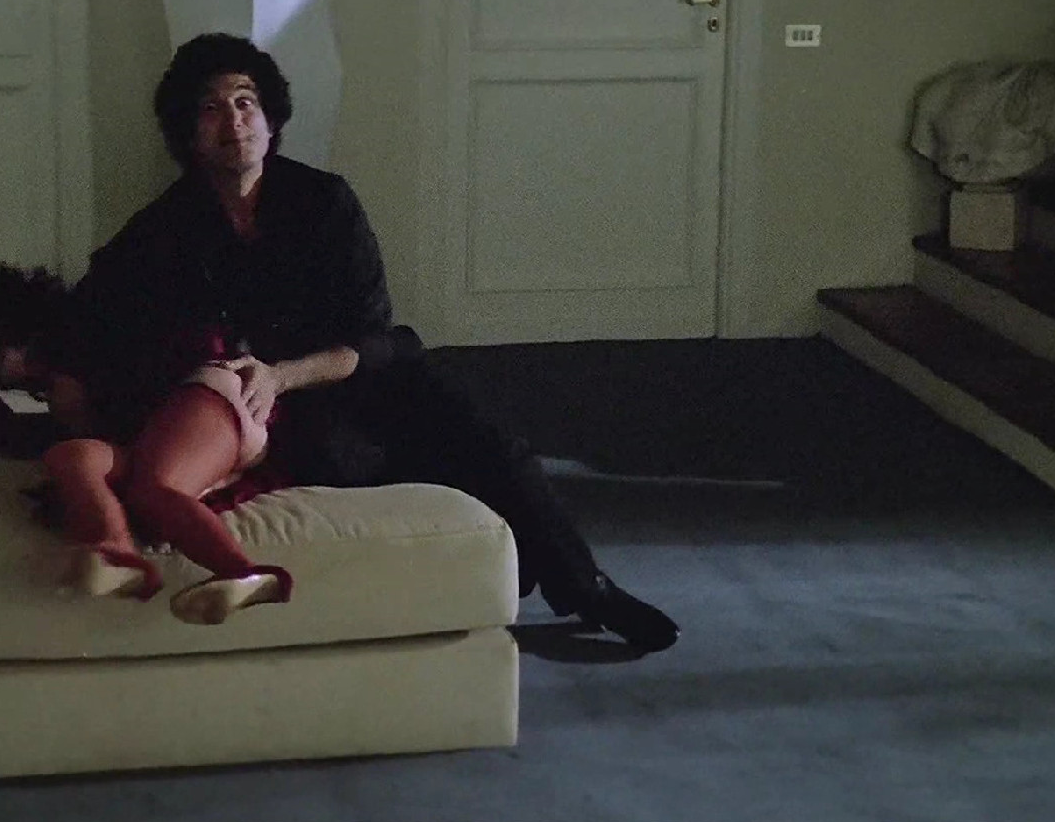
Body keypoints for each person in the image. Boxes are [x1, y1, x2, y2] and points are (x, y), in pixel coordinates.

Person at [72, 33, 680, 651]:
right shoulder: (165, 228)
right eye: (211, 108)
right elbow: (91, 310)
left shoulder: (324, 200)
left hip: (356, 371)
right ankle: (507, 560)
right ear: (187, 131)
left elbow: (373, 332)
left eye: (245, 102)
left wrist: (282, 373)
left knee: (490, 440)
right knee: (352, 459)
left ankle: (585, 585)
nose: (234, 123)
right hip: (280, 415)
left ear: (271, 116)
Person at [0, 263, 291, 625]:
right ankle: (117, 551)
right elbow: (19, 438)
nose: (14, 374)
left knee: (152, 487)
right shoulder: (57, 386)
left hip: (211, 398)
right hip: (151, 436)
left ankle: (244, 573)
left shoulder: (97, 331)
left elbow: (185, 338)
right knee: (70, 457)